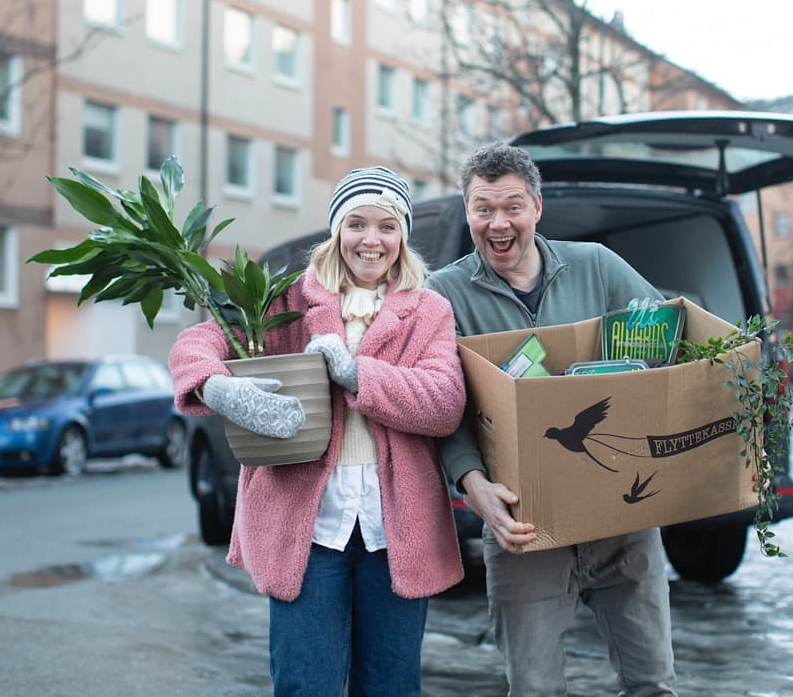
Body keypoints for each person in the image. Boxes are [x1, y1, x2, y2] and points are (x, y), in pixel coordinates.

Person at [169, 166, 467, 697]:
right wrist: (221, 390)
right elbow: (196, 344)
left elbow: (443, 404)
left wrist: (354, 372)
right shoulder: (286, 301)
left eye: (386, 226)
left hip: (394, 531)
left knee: (392, 686)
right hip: (307, 532)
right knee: (307, 684)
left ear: (402, 235)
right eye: (356, 224)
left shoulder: (429, 311)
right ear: (335, 231)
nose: (371, 240)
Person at [426, 143, 678, 697]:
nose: (498, 223)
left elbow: (666, 350)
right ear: (467, 212)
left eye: (512, 207)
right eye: (483, 209)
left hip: (622, 518)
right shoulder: (441, 297)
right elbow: (442, 409)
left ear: (537, 207)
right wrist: (474, 488)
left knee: (653, 683)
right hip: (523, 526)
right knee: (535, 689)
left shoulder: (597, 266)